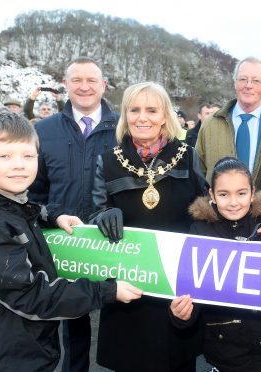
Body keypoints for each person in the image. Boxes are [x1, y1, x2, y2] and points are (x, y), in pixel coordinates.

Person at [0, 112, 143, 371]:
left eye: (28, 156)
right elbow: (30, 295)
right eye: (4, 156)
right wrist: (106, 291)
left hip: (28, 345)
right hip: (6, 356)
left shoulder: (9, 202)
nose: (19, 165)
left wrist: (53, 217)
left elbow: (27, 210)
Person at [89, 81, 208, 371]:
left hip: (175, 288)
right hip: (127, 290)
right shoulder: (107, 161)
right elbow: (94, 213)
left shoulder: (188, 155)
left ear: (165, 115)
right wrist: (102, 216)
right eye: (135, 110)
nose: (142, 117)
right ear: (125, 116)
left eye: (151, 110)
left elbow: (205, 215)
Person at [172, 157, 261, 372]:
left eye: (241, 193)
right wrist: (181, 316)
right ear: (212, 196)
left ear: (252, 193)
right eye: (224, 194)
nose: (233, 202)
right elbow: (190, 285)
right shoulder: (199, 231)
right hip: (226, 351)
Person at [28, 56, 119, 372]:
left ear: (103, 85)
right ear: (65, 85)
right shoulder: (42, 130)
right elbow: (33, 193)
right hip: (61, 243)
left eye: (91, 80)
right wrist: (49, 216)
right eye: (76, 80)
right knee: (70, 325)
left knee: (121, 316)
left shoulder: (123, 128)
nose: (84, 87)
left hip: (113, 242)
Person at [196, 56, 261, 202]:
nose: (248, 85)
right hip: (217, 219)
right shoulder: (210, 125)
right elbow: (198, 174)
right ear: (235, 83)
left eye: (256, 81)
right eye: (243, 79)